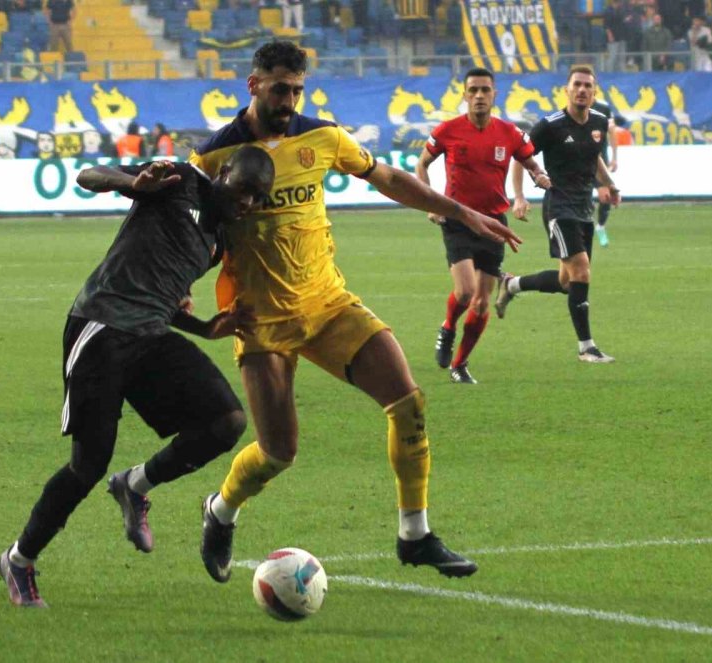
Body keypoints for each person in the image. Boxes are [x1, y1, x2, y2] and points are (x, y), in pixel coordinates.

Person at [186, 41, 521, 583]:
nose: (289, 100)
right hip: (261, 320)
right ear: (252, 85)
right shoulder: (213, 158)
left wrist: (461, 211)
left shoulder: (321, 136)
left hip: (328, 304)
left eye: (297, 89)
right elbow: (188, 233)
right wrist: (183, 294)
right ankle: (220, 510)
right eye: (279, 89)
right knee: (277, 453)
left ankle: (415, 534)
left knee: (408, 402)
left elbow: (386, 177)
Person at [0, 148, 276, 608]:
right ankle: (19, 561)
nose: (248, 202)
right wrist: (133, 185)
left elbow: (165, 298)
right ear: (224, 173)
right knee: (87, 465)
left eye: (257, 197)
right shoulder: (181, 180)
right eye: (245, 188)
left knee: (225, 421)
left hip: (150, 336)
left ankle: (135, 485)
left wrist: (205, 328)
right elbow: (89, 174)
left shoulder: (216, 241)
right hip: (101, 326)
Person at [415, 67, 549, 384]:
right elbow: (421, 164)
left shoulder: (509, 133)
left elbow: (529, 161)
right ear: (464, 95)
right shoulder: (448, 130)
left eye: (484, 90)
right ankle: (448, 328)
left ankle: (459, 365)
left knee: (481, 302)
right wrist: (430, 204)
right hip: (458, 218)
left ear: (494, 95)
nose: (478, 96)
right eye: (473, 90)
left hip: (493, 223)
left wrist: (539, 176)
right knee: (464, 292)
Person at [496, 65, 620, 364]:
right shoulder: (550, 126)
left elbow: (595, 158)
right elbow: (519, 154)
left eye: (587, 85)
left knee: (568, 282)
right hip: (558, 207)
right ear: (566, 89)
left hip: (583, 208)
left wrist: (610, 184)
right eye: (576, 84)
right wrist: (520, 196)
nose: (582, 90)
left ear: (594, 92)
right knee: (582, 270)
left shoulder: (600, 123)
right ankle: (586, 347)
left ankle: (512, 284)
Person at [587, 94, 622, 248]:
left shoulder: (602, 108)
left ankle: (600, 226)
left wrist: (614, 157)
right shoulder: (574, 109)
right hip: (582, 161)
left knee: (605, 197)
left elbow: (612, 131)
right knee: (584, 196)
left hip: (601, 160)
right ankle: (584, 227)